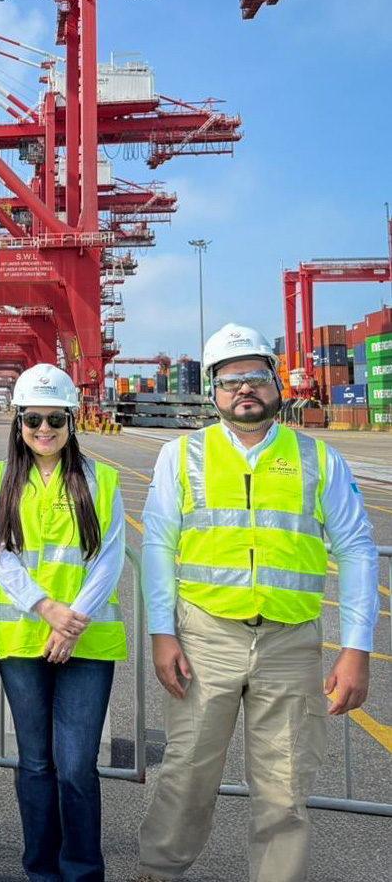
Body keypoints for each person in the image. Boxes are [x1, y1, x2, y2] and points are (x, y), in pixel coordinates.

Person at [135, 323, 379, 882]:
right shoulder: (181, 456)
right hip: (205, 637)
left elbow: (358, 550)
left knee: (285, 789)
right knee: (187, 774)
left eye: (254, 377)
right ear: (212, 393)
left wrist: (356, 648)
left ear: (276, 382)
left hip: (290, 644)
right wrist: (162, 633)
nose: (243, 389)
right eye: (229, 380)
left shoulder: (320, 459)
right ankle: (158, 871)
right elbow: (158, 545)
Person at [0, 363, 127, 882]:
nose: (44, 430)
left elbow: (109, 557)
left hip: (86, 645)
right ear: (17, 422)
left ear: (72, 422)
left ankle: (83, 872)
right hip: (22, 643)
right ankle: (41, 871)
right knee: (36, 765)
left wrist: (69, 625)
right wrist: (46, 610)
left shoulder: (100, 480)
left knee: (77, 768)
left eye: (55, 420)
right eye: (33, 420)